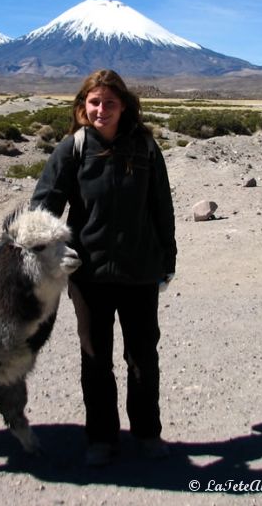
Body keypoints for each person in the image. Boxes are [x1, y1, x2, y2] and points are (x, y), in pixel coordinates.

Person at [30, 69, 177, 466]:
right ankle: (101, 438)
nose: (101, 110)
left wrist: (168, 259)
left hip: (140, 271)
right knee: (96, 359)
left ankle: (147, 434)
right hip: (88, 274)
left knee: (143, 357)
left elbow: (161, 207)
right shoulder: (72, 149)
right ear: (82, 107)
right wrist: (36, 249)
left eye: (109, 102)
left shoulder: (145, 147)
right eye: (94, 102)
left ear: (124, 106)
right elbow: (44, 205)